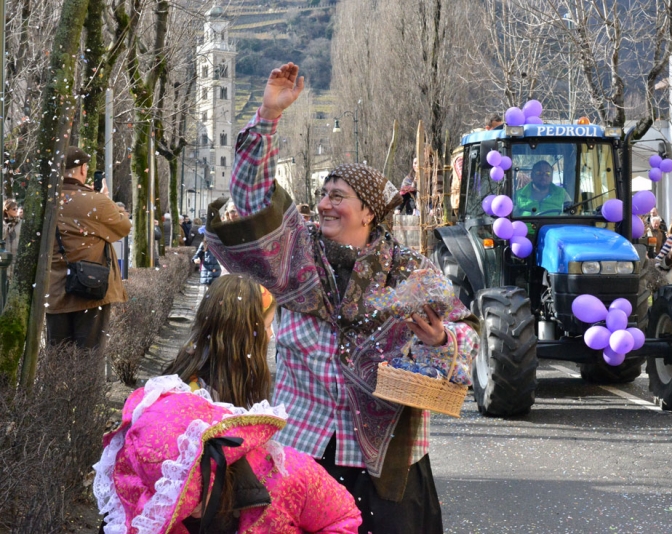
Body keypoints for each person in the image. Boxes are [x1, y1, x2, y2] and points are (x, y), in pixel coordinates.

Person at [205, 62, 479, 534]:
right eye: (324, 193)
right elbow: (251, 200)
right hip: (301, 452)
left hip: (388, 464)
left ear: (370, 211)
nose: (326, 203)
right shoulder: (296, 258)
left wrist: (439, 341)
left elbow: (464, 333)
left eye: (339, 195)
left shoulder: (409, 271)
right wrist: (269, 115)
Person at [92, 376, 362, 533]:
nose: (187, 508)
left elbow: (344, 518)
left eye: (190, 494)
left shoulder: (291, 476)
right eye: (169, 498)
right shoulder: (145, 509)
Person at [46, 147, 131, 350]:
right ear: (83, 169)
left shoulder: (47, 201)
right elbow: (123, 227)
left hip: (54, 290)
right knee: (90, 357)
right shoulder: (97, 202)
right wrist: (106, 200)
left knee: (57, 357)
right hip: (91, 289)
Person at [164, 274, 276, 407]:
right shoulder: (203, 398)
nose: (271, 334)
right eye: (268, 326)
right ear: (242, 335)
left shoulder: (227, 380)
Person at [3, 199, 20, 277]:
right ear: (7, 211)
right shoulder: (2, 224)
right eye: (14, 209)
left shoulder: (21, 223)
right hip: (4, 259)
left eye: (17, 208)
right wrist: (6, 227)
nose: (16, 210)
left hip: (17, 257)